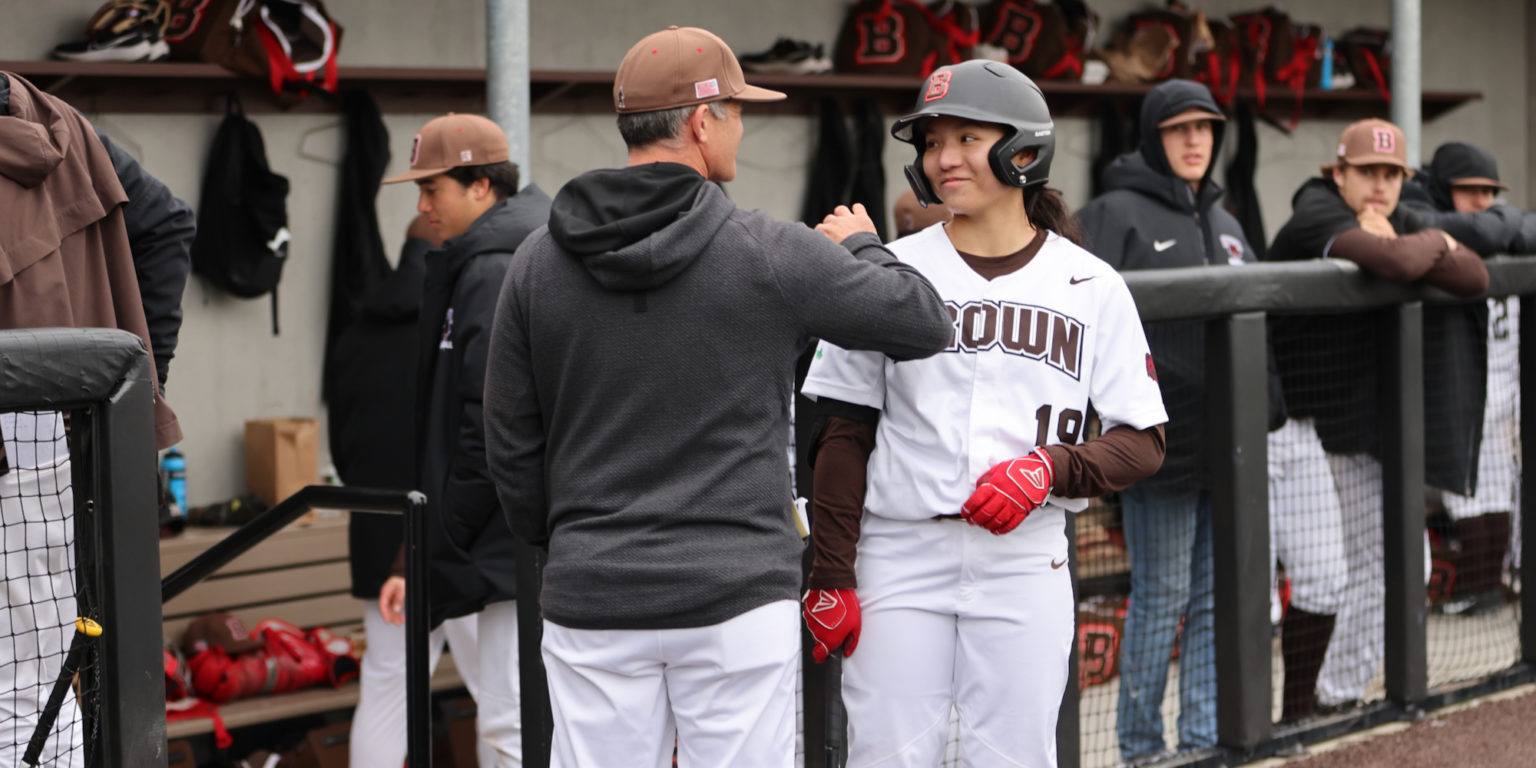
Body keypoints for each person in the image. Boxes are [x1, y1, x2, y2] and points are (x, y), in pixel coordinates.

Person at [482, 25, 952, 768]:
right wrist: (862, 243)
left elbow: (508, 440)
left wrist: (570, 539)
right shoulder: (767, 250)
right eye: (737, 110)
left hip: (593, 594)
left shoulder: (536, 261)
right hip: (735, 598)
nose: (742, 125)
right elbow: (923, 320)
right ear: (702, 121)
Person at [801, 60, 1168, 767]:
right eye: (933, 142)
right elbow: (843, 437)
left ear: (1022, 148)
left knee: (1015, 757)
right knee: (887, 755)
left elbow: (1144, 442)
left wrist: (1050, 468)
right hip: (899, 553)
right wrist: (831, 571)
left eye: (966, 137)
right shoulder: (890, 270)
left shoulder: (1091, 283)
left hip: (1026, 556)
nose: (943, 158)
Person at [1077, 78, 1292, 752]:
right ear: (1154, 135)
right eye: (1180, 128)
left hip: (1227, 447)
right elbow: (1081, 319)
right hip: (1156, 447)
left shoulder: (1226, 223)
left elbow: (1257, 324)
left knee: (1213, 600)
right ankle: (1141, 749)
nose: (1196, 140)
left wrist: (1270, 406)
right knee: (1163, 598)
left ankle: (1200, 739)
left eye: (1206, 128)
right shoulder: (1114, 213)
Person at [1264, 119, 1488, 715]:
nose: (1379, 185)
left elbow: (1476, 275)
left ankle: (1329, 698)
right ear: (1338, 174)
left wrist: (1428, 241)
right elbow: (1394, 265)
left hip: (1338, 430)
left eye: (1391, 174)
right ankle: (1303, 705)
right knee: (1308, 579)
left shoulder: (1398, 217)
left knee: (1384, 565)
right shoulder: (1315, 213)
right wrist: (1430, 243)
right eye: (1367, 172)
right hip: (1278, 427)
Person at [1, 70, 182, 768]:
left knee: (27, 686)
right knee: (36, 680)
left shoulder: (64, 126)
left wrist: (131, 387)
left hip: (35, 439)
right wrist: (126, 392)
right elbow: (170, 224)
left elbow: (168, 226)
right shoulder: (61, 120)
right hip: (55, 436)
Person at [374, 113, 554, 766]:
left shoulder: (497, 264)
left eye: (434, 190)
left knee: (515, 724)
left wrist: (444, 529)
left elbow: (491, 420)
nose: (423, 208)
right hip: (492, 541)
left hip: (506, 543)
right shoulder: (485, 257)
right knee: (514, 717)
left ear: (482, 186)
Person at [333, 215, 502, 768]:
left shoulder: (356, 328)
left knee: (386, 691)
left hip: (380, 529)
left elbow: (342, 441)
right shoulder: (461, 323)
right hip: (462, 529)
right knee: (502, 695)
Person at [1400, 142, 1536, 615]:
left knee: (1489, 493)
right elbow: (1431, 225)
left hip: (1497, 389)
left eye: (1490, 193)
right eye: (1470, 191)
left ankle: (1485, 590)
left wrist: (1501, 224)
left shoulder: (1494, 224)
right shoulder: (1412, 210)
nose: (1483, 201)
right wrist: (1505, 225)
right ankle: (1478, 588)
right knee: (1464, 495)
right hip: (1442, 389)